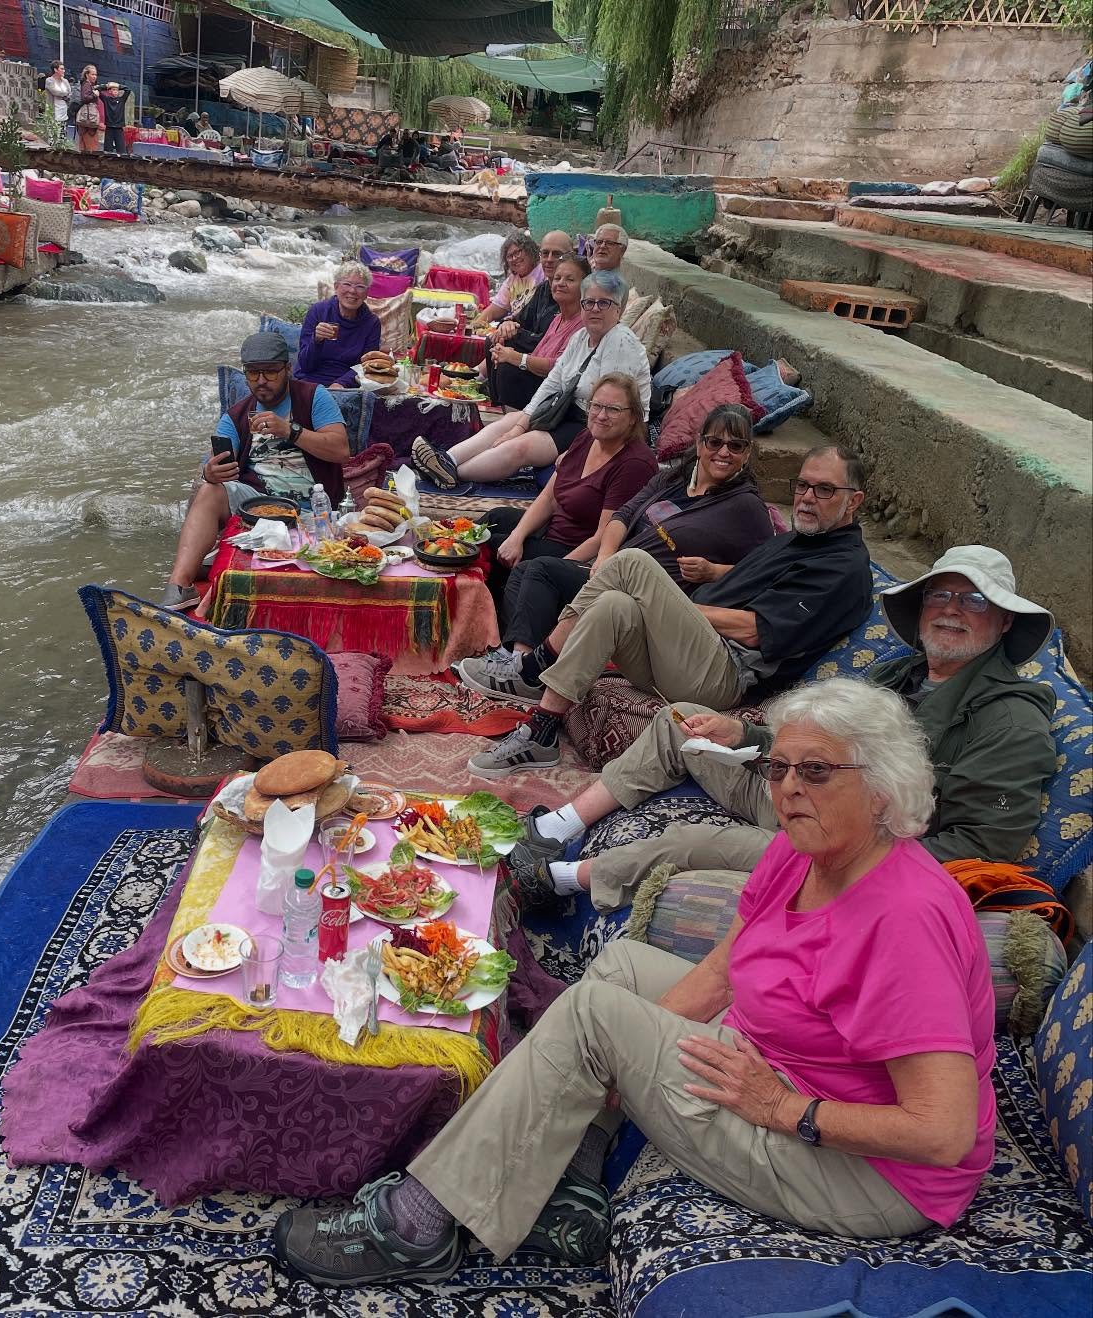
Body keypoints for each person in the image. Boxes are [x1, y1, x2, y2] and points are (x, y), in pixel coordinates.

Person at [273, 681, 994, 1284]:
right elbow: (723, 974)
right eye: (778, 770)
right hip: (774, 1063)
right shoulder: (802, 853)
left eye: (817, 771)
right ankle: (573, 1186)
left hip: (859, 1168)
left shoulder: (903, 919)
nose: (788, 790)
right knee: (616, 975)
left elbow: (942, 1133)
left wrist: (783, 1108)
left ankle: (415, 1227)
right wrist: (623, 1069)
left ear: (881, 790)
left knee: (593, 1016)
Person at [515, 545, 1058, 909]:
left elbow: (982, 847)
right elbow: (829, 744)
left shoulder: (1009, 718)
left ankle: (557, 882)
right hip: (798, 788)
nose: (951, 610)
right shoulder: (903, 672)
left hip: (844, 843)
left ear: (1005, 620)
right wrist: (745, 737)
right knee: (678, 721)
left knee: (694, 841)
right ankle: (556, 827)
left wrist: (854, 853)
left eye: (974, 600)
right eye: (940, 594)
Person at [460, 446, 872, 778]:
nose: (807, 498)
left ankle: (534, 666)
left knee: (632, 563)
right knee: (613, 604)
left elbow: (755, 632)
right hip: (688, 658)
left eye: (824, 490)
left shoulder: (844, 569)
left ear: (854, 502)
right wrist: (679, 599)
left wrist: (674, 609)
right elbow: (744, 582)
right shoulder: (798, 540)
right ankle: (542, 731)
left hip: (722, 674)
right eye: (802, 486)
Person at [499, 403, 775, 655]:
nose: (724, 452)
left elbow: (764, 574)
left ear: (747, 452)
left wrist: (714, 571)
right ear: (700, 443)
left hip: (648, 597)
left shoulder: (745, 506)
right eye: (715, 442)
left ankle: (528, 665)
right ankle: (522, 655)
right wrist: (605, 556)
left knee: (541, 571)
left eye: (736, 446)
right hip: (613, 571)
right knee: (524, 569)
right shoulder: (675, 478)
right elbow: (624, 514)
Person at [158, 333, 350, 611]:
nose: (261, 380)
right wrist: (210, 472)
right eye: (252, 373)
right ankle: (180, 586)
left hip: (314, 507)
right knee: (210, 490)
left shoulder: (313, 397)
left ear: (287, 369)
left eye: (270, 372)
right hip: (257, 506)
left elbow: (341, 450)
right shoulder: (236, 415)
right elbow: (214, 463)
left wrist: (290, 430)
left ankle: (209, 563)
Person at [413, 270, 650, 488]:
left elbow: (611, 410)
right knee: (511, 422)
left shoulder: (620, 343)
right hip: (569, 411)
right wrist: (519, 425)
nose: (595, 308)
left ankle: (452, 473)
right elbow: (552, 383)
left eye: (604, 303)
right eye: (589, 302)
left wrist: (579, 450)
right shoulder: (581, 337)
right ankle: (447, 459)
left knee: (522, 446)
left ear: (618, 309)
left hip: (601, 427)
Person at [481, 373, 658, 616]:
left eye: (613, 409)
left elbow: (603, 538)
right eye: (596, 406)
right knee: (493, 520)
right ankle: (478, 600)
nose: (602, 415)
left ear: (633, 418)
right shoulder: (587, 437)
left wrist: (554, 569)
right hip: (553, 530)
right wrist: (517, 536)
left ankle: (487, 616)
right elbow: (549, 497)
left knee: (489, 545)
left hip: (575, 549)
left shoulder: (634, 464)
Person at [484, 253, 587, 411]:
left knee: (508, 369)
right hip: (541, 379)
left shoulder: (582, 324)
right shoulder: (558, 318)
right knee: (498, 343)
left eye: (570, 280)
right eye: (557, 278)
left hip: (558, 393)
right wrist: (507, 352)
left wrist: (515, 357)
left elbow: (558, 366)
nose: (560, 283)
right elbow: (538, 350)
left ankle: (517, 423)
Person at [294, 261, 383, 389]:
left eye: (360, 286)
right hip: (310, 380)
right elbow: (305, 364)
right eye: (347, 284)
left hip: (346, 385)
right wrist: (316, 340)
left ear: (366, 293)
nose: (352, 291)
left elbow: (366, 365)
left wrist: (341, 383)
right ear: (336, 287)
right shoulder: (318, 311)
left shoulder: (371, 323)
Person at [488, 231, 572, 363]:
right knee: (497, 339)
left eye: (556, 254)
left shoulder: (565, 290)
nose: (549, 259)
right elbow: (514, 316)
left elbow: (550, 341)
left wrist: (515, 341)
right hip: (533, 346)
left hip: (549, 357)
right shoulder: (542, 288)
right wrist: (507, 324)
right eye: (545, 253)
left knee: (504, 351)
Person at [470, 233, 542, 331]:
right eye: (510, 256)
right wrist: (473, 326)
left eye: (518, 252)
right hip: (513, 329)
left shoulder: (543, 271)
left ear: (529, 250)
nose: (514, 258)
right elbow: (494, 309)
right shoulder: (512, 281)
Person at [74, 65, 103, 154]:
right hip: (88, 119)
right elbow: (85, 98)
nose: (95, 76)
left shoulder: (89, 85)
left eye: (96, 75)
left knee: (84, 146)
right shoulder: (86, 85)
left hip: (86, 119)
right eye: (92, 74)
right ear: (87, 75)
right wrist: (95, 95)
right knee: (91, 146)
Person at [99, 82, 130, 155]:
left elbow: (128, 90)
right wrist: (107, 85)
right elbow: (98, 90)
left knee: (122, 150)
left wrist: (118, 85)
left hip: (119, 127)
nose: (115, 91)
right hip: (109, 127)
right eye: (113, 89)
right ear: (109, 91)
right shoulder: (106, 99)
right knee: (107, 151)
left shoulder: (122, 100)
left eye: (117, 90)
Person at [44, 62, 72, 141]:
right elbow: (55, 92)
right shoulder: (49, 80)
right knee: (52, 135)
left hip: (63, 110)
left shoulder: (65, 81)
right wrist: (65, 94)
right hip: (53, 110)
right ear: (55, 70)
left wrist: (65, 94)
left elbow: (70, 92)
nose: (64, 71)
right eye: (62, 69)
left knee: (62, 136)